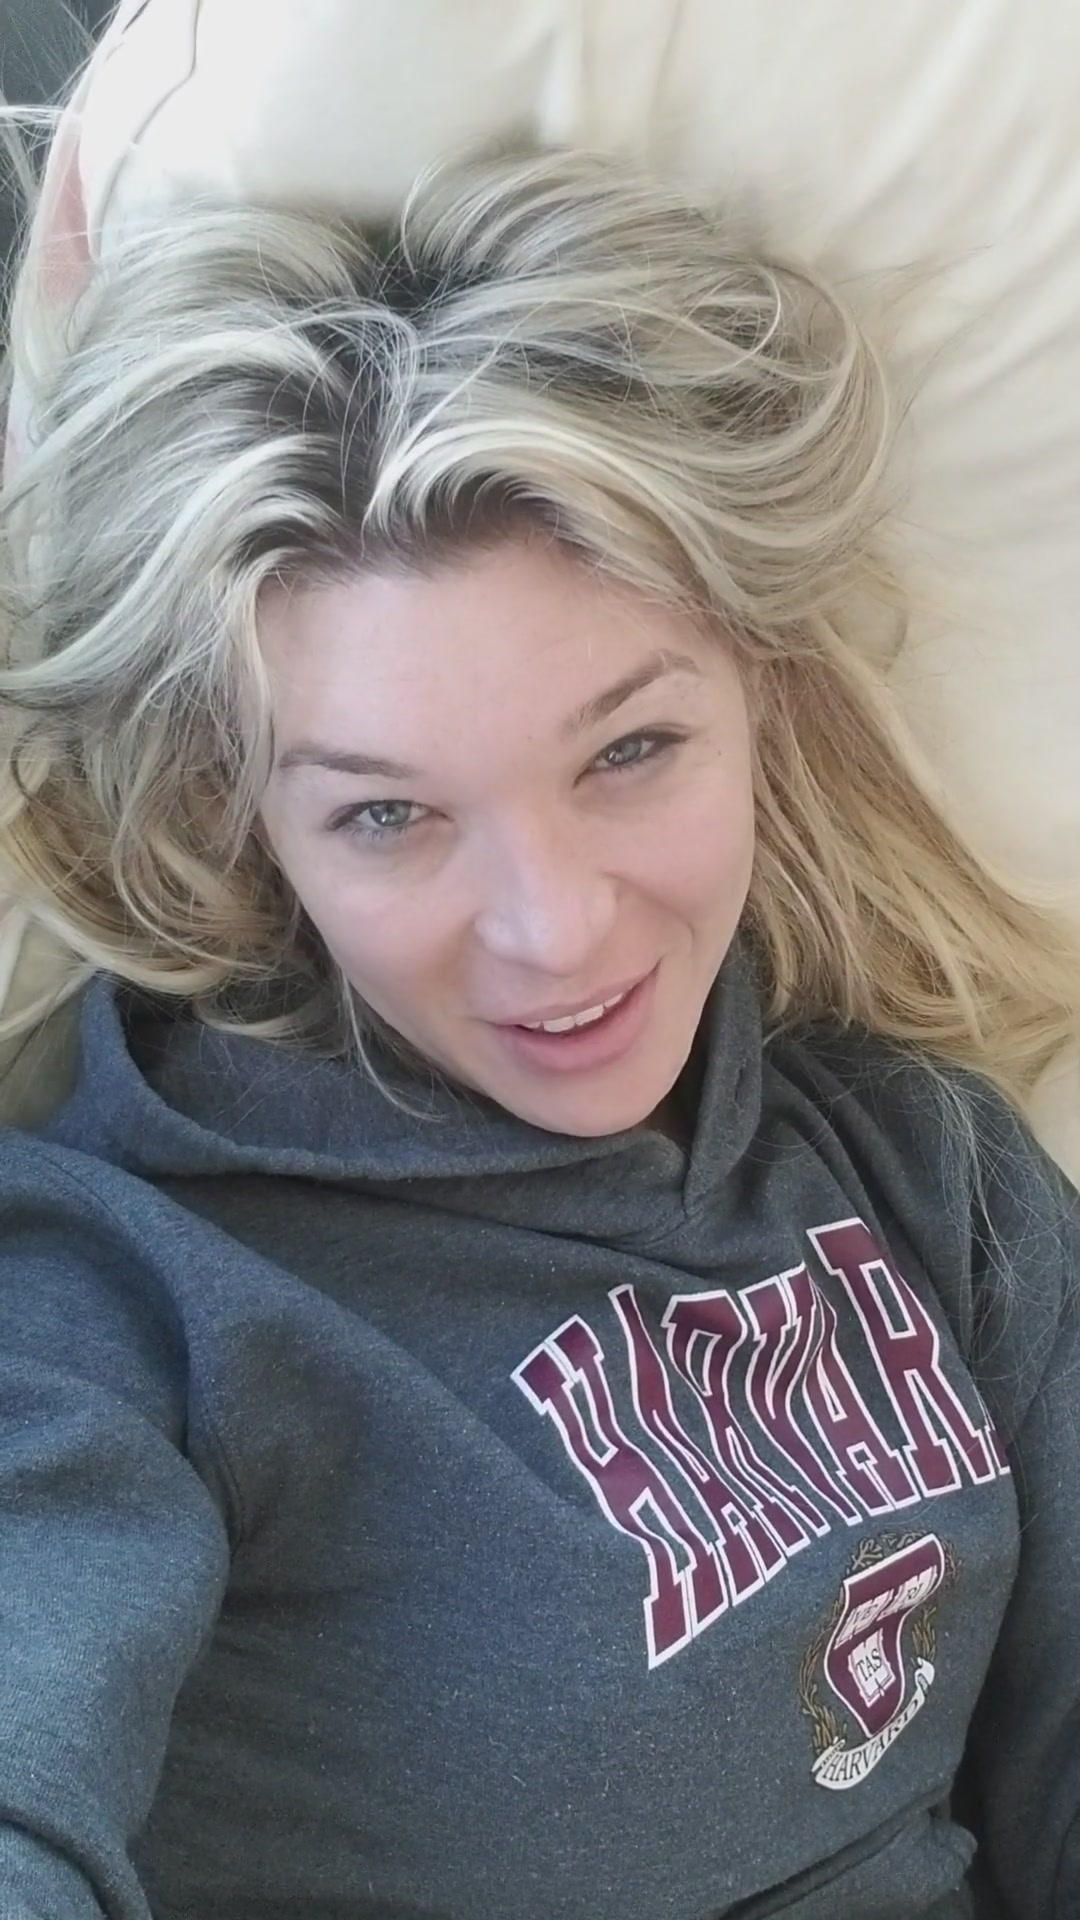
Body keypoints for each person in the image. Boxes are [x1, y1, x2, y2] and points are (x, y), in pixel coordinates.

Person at [0, 141, 1078, 1920]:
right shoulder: (118, 1300)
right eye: (387, 814)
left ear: (756, 688)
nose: (556, 928)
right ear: (242, 815)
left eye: (630, 751)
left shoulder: (924, 1171)